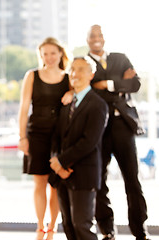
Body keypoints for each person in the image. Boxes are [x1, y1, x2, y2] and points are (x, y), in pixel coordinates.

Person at [87, 25, 150, 240]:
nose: (96, 39)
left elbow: (135, 84)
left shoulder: (120, 58)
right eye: (92, 36)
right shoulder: (84, 63)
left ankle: (140, 230)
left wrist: (107, 83)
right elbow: (88, 88)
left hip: (124, 125)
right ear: (87, 40)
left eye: (99, 35)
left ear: (104, 38)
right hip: (99, 128)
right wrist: (119, 84)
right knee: (99, 180)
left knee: (132, 179)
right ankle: (107, 230)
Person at [18, 37, 72, 240]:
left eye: (53, 53)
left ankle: (53, 227)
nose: (49, 57)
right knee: (39, 183)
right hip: (36, 134)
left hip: (59, 136)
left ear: (60, 54)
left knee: (55, 183)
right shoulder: (32, 75)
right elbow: (23, 109)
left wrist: (72, 92)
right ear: (41, 55)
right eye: (45, 53)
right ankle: (40, 227)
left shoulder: (68, 78)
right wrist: (22, 137)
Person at [49, 56, 108, 240]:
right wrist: (56, 163)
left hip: (84, 174)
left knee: (82, 227)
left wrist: (61, 162)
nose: (75, 73)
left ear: (91, 74)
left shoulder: (98, 105)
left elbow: (89, 142)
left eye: (81, 69)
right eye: (72, 69)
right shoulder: (66, 104)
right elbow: (56, 138)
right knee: (68, 227)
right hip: (62, 176)